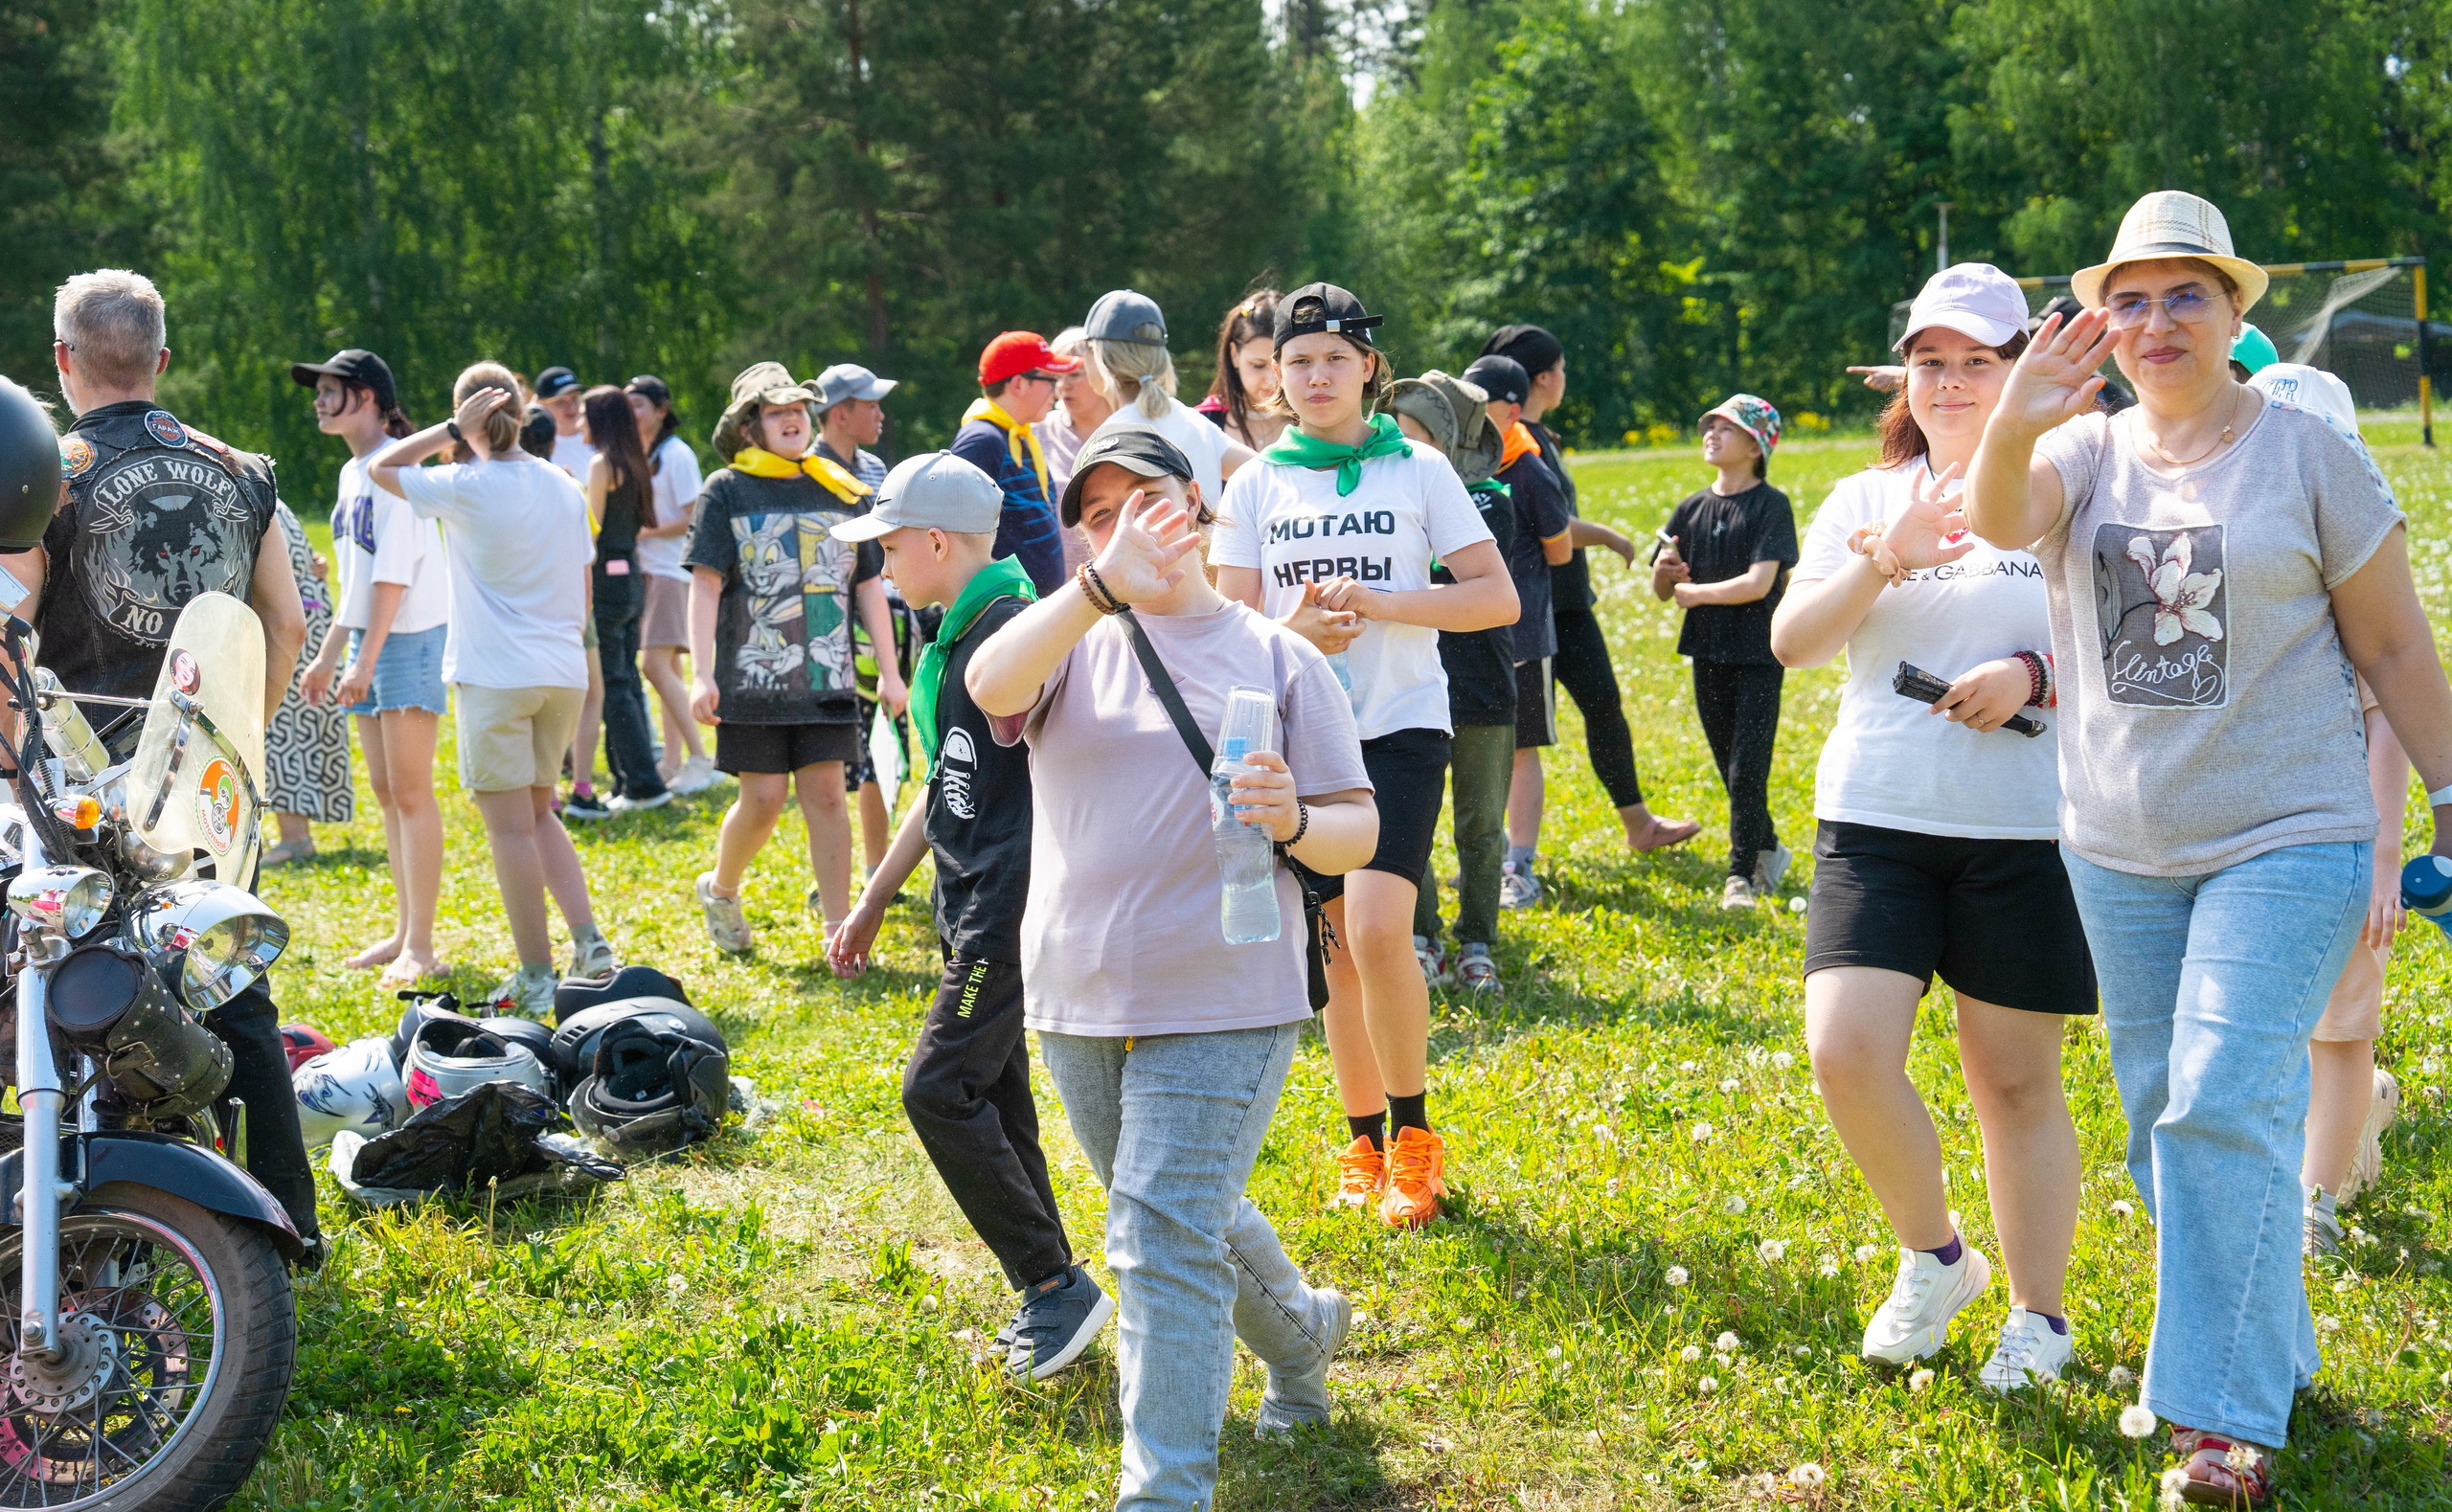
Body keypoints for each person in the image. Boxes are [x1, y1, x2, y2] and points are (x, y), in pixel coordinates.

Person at [1964, 189, 2452, 1505]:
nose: (2157, 318)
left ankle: (2221, 1425)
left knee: (2219, 1098)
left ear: (2238, 314)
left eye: (2188, 293)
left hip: (2289, 829)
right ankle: (2269, 1347)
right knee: (2160, 1121)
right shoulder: (2085, 454)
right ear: (2102, 324)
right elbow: (2001, 518)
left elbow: (2396, 644)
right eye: (2132, 296)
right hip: (2118, 845)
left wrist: (2450, 793)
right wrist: (2017, 414)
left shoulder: (2308, 456)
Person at [965, 435, 1375, 1512]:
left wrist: (1296, 817)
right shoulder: (1066, 640)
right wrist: (1095, 589)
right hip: (1079, 987)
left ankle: (1165, 1494)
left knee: (1153, 1236)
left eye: (1144, 501)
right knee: (1177, 1213)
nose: (1124, 526)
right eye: (1095, 515)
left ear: (1195, 506)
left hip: (1229, 987)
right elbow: (986, 680)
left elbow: (1356, 828)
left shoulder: (1281, 657)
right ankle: (1305, 1331)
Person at [1769, 262, 2095, 1391]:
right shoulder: (1862, 500)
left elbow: (2128, 642)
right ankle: (1932, 1255)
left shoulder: (2069, 486)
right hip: (1876, 816)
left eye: (1977, 362)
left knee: (2012, 1080)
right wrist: (1887, 553)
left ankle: (2040, 1317)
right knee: (1844, 1049)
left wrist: (2030, 672)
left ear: (2019, 372)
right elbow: (1794, 643)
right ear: (1901, 375)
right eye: (1930, 361)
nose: (1950, 383)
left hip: (2025, 828)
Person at [17, 268, 320, 1254]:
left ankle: (101, 1224)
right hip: (201, 774)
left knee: (68, 986)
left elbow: (13, 622)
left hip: (74, 779)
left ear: (65, 361)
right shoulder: (240, 468)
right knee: (228, 983)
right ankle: (285, 1223)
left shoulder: (40, 469)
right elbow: (286, 619)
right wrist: (237, 742)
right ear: (162, 359)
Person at [1214, 282, 1518, 1230]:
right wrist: (1292, 627)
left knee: (1384, 928)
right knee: (1335, 946)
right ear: (1274, 377)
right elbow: (1226, 629)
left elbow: (1494, 597)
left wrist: (1388, 602)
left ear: (1368, 371)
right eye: (1296, 361)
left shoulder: (1417, 471)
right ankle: (1360, 1140)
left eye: (1333, 360)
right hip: (1300, 731)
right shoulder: (1256, 483)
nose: (1313, 376)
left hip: (1398, 726)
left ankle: (1415, 1138)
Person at [826, 449, 1111, 1382]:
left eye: (890, 546)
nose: (882, 565)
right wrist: (875, 897)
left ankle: (1053, 1283)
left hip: (1007, 913)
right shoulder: (951, 630)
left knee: (937, 1088)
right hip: (969, 909)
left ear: (938, 542)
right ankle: (1055, 1289)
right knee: (993, 1094)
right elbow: (948, 783)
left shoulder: (1011, 633)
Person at [369, 362, 617, 1016]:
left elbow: (381, 467)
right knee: (541, 813)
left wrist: (450, 431)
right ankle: (590, 942)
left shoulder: (465, 484)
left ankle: (537, 974)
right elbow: (584, 594)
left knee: (511, 828)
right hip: (562, 670)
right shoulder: (564, 485)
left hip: (495, 675)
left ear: (468, 416)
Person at [2234, 363, 2409, 1256]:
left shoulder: (2363, 573)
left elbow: (2392, 730)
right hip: (2236, 838)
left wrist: (2384, 859)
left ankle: (2315, 1201)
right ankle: (2308, 1148)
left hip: (2337, 837)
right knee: (2257, 1028)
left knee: (2338, 1028)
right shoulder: (2242, 553)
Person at [688, 363, 907, 952]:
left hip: (827, 674)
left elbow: (866, 586)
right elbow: (705, 583)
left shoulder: (836, 487)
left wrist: (889, 672)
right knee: (761, 801)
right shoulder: (726, 490)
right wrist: (701, 675)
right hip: (753, 677)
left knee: (830, 797)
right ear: (749, 428)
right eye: (775, 411)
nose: (791, 419)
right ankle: (722, 888)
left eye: (797, 410)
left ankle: (840, 935)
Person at [1481, 324, 1694, 894]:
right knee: (1524, 738)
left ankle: (1638, 824)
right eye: (1564, 369)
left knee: (1602, 706)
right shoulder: (1514, 444)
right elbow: (1548, 525)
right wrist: (1609, 536)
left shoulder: (1532, 435)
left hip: (1565, 602)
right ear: (1545, 378)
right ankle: (1511, 858)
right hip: (1541, 607)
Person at [295, 349, 447, 985]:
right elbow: (356, 576)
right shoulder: (351, 473)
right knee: (388, 792)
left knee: (411, 793)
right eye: (319, 392)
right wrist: (331, 654)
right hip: (373, 641)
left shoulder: (397, 466)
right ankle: (403, 928)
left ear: (367, 397)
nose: (319, 402)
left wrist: (363, 656)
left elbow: (392, 576)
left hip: (407, 639)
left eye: (331, 391)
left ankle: (422, 944)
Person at [1385, 370, 1514, 993]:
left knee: (1481, 824)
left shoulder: (1488, 497)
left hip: (1482, 689)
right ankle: (1423, 934)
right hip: (1416, 686)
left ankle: (1478, 940)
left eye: (1413, 434)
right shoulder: (1388, 495)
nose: (1399, 446)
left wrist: (1390, 588)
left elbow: (1455, 577)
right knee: (1415, 819)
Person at [1651, 395, 1796, 909]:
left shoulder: (1771, 505)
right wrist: (1665, 574)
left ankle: (1741, 876)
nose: (1711, 434)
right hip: (1707, 651)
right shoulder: (1691, 507)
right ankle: (1770, 846)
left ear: (1757, 445)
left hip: (1759, 653)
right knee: (1726, 762)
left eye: (1726, 428)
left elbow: (1760, 584)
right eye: (1708, 426)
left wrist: (1695, 595)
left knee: (1746, 767)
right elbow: (1663, 588)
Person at [1458, 354, 1576, 909]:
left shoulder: (1528, 469)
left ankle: (1519, 866)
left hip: (1525, 634)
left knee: (1523, 749)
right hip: (1473, 637)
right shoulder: (1457, 467)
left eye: (1477, 406)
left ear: (1509, 409)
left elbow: (1561, 547)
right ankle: (1489, 858)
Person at [811, 362, 914, 877]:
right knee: (832, 768)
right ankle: (841, 873)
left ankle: (878, 867)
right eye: (869, 403)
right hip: (831, 633)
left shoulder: (875, 469)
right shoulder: (806, 471)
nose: (879, 413)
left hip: (887, 627)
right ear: (838, 413)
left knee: (884, 748)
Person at [1078, 287, 1256, 511]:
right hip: (1207, 547)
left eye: (1086, 349)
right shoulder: (1193, 420)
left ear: (1099, 355)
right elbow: (1265, 473)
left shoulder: (1111, 437)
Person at [581, 384, 673, 814]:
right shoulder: (637, 463)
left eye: (586, 415)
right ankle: (632, 778)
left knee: (613, 686)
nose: (580, 423)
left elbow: (590, 530)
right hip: (631, 575)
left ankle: (641, 783)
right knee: (628, 682)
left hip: (606, 580)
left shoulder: (602, 465)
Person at [624, 374, 715, 796]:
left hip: (669, 570)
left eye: (639, 404)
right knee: (668, 669)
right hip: (649, 570)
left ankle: (700, 758)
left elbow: (694, 517)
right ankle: (674, 760)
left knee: (653, 665)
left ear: (662, 410)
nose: (632, 412)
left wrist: (643, 531)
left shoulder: (676, 454)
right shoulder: (640, 452)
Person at [535, 366, 611, 820]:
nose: (571, 406)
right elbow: (589, 545)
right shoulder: (568, 485)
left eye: (574, 398)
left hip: (520, 605)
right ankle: (573, 788)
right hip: (567, 599)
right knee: (586, 692)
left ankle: (548, 791)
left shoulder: (488, 482)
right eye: (561, 399)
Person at [952, 331, 1075, 597]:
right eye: (1050, 381)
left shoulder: (1021, 437)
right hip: (1007, 609)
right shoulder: (982, 440)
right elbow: (953, 531)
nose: (1056, 393)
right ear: (1018, 384)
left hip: (1034, 606)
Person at [262, 501, 352, 861]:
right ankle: (297, 832)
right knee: (302, 717)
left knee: (281, 722)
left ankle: (295, 837)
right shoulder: (271, 493)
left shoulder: (240, 488)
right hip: (308, 606)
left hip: (287, 612)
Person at [1199, 289, 1289, 450]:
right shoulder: (1203, 423)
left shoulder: (1318, 424)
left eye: (1282, 366)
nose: (1271, 379)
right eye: (1258, 365)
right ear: (1234, 355)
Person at [1031, 328, 1112, 504]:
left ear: (1103, 374)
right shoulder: (1036, 431)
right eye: (1056, 376)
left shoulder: (1131, 427)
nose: (1063, 385)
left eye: (1074, 375)